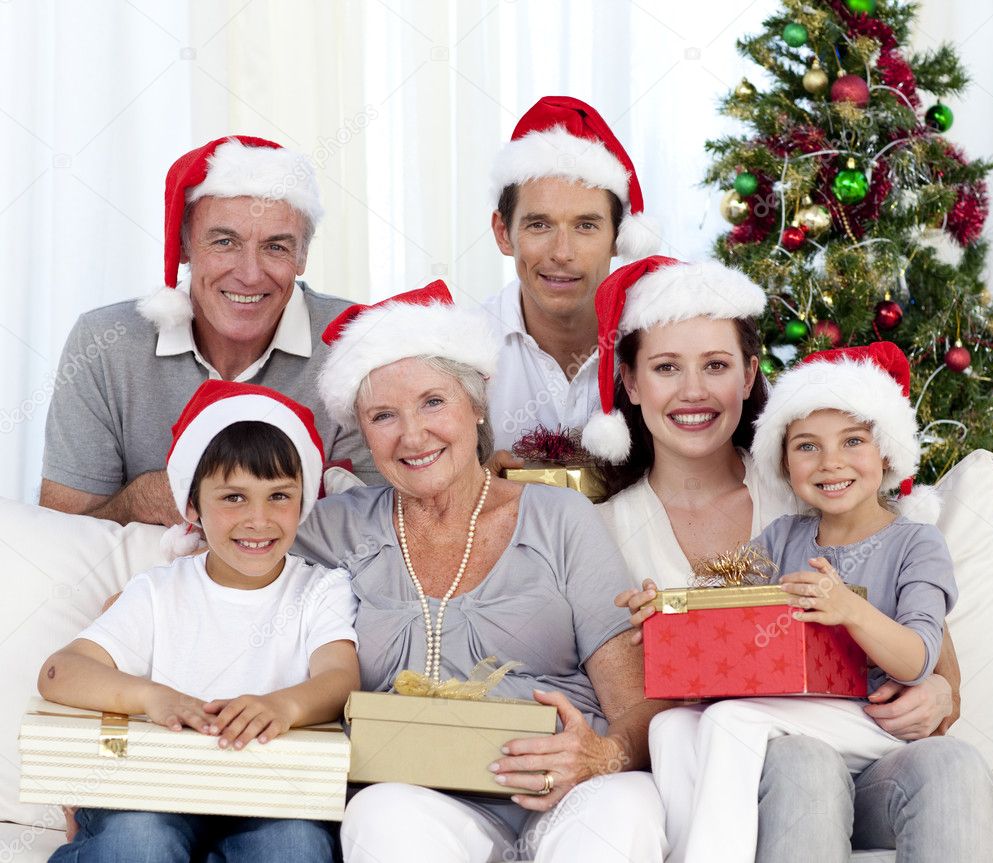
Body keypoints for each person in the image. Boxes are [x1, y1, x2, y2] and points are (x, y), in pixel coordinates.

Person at [588, 256, 993, 861]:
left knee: (946, 764)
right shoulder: (604, 529)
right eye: (666, 368)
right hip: (752, 761)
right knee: (732, 741)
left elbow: (927, 649)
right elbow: (714, 608)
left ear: (749, 373)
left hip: (860, 743)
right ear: (631, 382)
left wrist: (943, 693)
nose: (694, 390)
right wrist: (668, 614)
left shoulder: (808, 494)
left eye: (716, 366)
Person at [293, 280, 668, 862]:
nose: (412, 435)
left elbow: (639, 705)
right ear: (362, 431)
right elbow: (232, 582)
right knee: (378, 814)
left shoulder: (560, 518)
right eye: (383, 415)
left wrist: (601, 755)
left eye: (433, 402)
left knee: (624, 808)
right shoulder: (332, 530)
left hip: (568, 793)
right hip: (425, 802)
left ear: (475, 404)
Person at [647, 342, 964, 862]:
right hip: (795, 721)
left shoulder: (916, 544)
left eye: (853, 440)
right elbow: (719, 604)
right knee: (670, 725)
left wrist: (850, 608)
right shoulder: (782, 539)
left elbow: (918, 659)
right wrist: (665, 610)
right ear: (784, 461)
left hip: (871, 721)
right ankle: (688, 849)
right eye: (807, 446)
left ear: (885, 452)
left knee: (730, 721)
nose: (830, 462)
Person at [39, 379, 360, 862]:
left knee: (293, 845)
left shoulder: (321, 589)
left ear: (303, 504)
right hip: (154, 793)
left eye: (279, 496)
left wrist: (284, 706)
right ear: (191, 507)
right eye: (233, 498)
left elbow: (340, 677)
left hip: (270, 799)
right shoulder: (159, 591)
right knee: (140, 842)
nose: (259, 519)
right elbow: (59, 673)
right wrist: (152, 696)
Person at [40, 135, 380, 528]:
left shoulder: (356, 344)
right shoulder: (103, 345)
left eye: (276, 247)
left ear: (302, 256)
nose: (250, 274)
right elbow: (61, 537)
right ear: (183, 244)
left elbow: (380, 532)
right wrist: (138, 501)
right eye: (224, 242)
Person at [482, 95, 660, 458]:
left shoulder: (668, 339)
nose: (562, 253)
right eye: (539, 224)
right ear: (503, 234)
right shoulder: (463, 352)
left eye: (586, 226)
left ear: (617, 237)